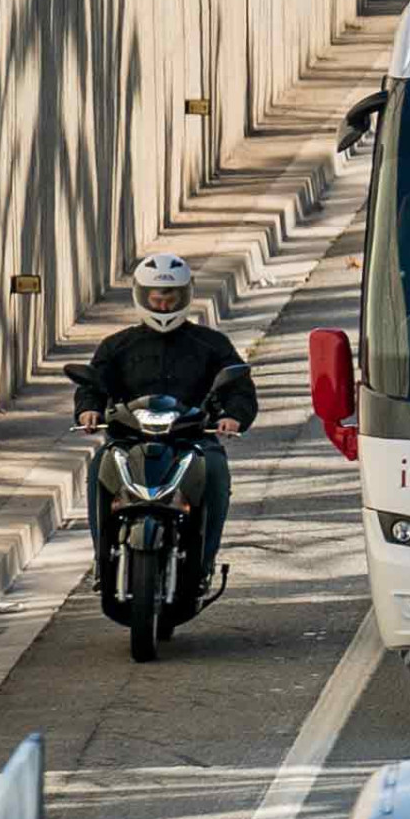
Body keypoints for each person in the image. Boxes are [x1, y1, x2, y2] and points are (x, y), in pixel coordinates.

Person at [75, 251, 253, 601]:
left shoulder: (211, 344)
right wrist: (88, 411)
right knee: (99, 467)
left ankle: (203, 562)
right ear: (142, 296)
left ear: (185, 295)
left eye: (170, 295)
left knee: (215, 470)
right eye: (155, 295)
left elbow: (240, 388)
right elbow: (91, 385)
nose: (163, 302)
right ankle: (102, 561)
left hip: (193, 440)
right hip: (129, 440)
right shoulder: (117, 345)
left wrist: (233, 416)